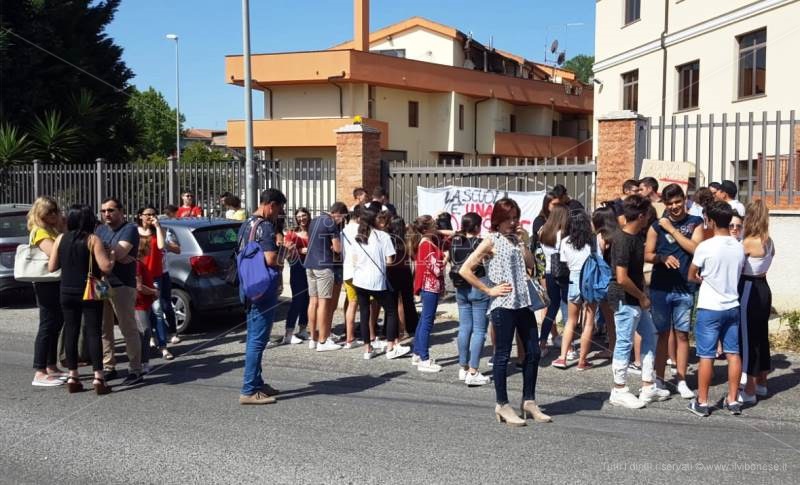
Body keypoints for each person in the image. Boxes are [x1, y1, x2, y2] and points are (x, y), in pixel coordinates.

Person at [459, 198, 550, 426]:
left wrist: (522, 242)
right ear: (497, 220)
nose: (512, 222)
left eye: (515, 218)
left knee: (533, 352)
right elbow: (465, 269)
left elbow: (531, 266)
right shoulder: (490, 241)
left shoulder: (516, 239)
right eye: (508, 218)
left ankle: (529, 401)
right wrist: (488, 290)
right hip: (503, 305)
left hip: (523, 302)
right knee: (502, 355)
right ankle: (502, 404)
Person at [608, 195, 669, 409]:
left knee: (650, 335)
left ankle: (648, 385)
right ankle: (619, 388)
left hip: (636, 298)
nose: (649, 220)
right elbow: (622, 278)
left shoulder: (636, 237)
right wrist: (642, 296)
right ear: (641, 216)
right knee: (624, 342)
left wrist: (643, 294)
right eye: (647, 216)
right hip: (624, 298)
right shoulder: (623, 240)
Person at [645, 184, 704, 400]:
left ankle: (681, 379)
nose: (674, 206)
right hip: (660, 288)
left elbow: (696, 249)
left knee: (682, 334)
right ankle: (659, 379)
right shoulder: (655, 226)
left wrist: (671, 230)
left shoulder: (695, 222)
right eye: (669, 203)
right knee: (662, 334)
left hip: (685, 288)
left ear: (684, 199)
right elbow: (647, 254)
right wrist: (661, 258)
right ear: (664, 204)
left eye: (677, 202)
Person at [687, 200, 746, 417]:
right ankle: (732, 400)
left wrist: (701, 279)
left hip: (710, 306)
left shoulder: (705, 246)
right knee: (733, 353)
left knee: (706, 355)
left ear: (710, 220)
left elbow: (691, 274)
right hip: (732, 305)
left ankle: (702, 401)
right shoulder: (738, 247)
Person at [48, 205, 115, 394]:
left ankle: (73, 376)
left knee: (70, 331)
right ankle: (98, 378)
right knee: (93, 332)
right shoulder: (93, 240)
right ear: (88, 220)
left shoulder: (61, 238)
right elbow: (106, 267)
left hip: (66, 291)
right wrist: (111, 256)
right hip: (89, 291)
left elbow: (52, 267)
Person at [237, 188, 287, 405]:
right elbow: (270, 258)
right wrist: (285, 253)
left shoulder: (247, 224)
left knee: (253, 337)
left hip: (248, 286)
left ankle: (256, 382)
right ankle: (249, 390)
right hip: (263, 288)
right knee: (258, 340)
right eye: (279, 209)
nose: (279, 214)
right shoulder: (265, 227)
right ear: (272, 205)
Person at [350, 208, 409, 360]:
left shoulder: (358, 236)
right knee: (391, 311)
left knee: (364, 313)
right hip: (376, 280)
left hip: (359, 280)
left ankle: (367, 349)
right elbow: (390, 261)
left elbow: (354, 259)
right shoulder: (382, 236)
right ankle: (390, 347)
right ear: (373, 220)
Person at [97, 198, 143, 386]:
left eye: (111, 210)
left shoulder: (130, 229)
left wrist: (106, 251)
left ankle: (135, 369)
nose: (107, 214)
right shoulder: (99, 230)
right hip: (102, 283)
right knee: (103, 328)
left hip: (122, 283)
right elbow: (100, 253)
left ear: (121, 211)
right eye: (103, 211)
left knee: (127, 327)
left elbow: (121, 253)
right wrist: (111, 254)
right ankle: (109, 367)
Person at [737, 199, 774, 405]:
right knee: (760, 335)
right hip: (763, 287)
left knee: (747, 338)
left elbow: (736, 264)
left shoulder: (749, 241)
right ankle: (761, 381)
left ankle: (749, 389)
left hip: (748, 289)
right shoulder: (769, 241)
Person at [27, 196, 67, 387]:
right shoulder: (39, 231)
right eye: (49, 211)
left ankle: (51, 366)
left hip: (55, 281)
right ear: (41, 213)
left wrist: (61, 228)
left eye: (55, 210)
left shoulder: (52, 229)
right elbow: (54, 253)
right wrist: (61, 235)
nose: (54, 214)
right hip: (45, 282)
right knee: (47, 324)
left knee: (56, 322)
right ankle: (40, 370)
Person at [551, 210, 596, 371]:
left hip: (574, 278)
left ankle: (563, 357)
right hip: (590, 279)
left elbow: (563, 261)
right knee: (589, 322)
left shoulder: (565, 242)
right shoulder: (592, 241)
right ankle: (582, 361)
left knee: (571, 320)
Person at [450, 212, 490, 386]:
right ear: (476, 227)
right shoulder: (480, 243)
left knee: (464, 327)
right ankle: (473, 371)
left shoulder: (455, 242)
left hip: (461, 288)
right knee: (480, 330)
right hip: (477, 285)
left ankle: (463, 366)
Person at [304, 202, 348, 351]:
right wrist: (335, 247)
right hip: (324, 267)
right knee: (324, 303)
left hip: (309, 265)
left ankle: (313, 338)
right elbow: (337, 248)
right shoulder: (330, 223)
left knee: (313, 302)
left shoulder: (315, 220)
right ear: (339, 213)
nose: (341, 221)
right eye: (342, 218)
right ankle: (323, 341)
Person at [410, 215, 446, 372]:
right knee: (427, 322)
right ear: (426, 229)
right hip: (430, 286)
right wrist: (446, 259)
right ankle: (424, 358)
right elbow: (436, 268)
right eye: (433, 225)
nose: (436, 226)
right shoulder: (427, 245)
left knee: (423, 320)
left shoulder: (425, 243)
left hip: (428, 286)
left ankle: (417, 352)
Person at [136, 206, 172, 361]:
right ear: (140, 216)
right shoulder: (133, 232)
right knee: (143, 312)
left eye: (153, 214)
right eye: (147, 214)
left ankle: (163, 346)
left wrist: (157, 226)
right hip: (139, 276)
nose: (150, 217)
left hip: (155, 276)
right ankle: (149, 341)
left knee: (157, 311)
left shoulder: (159, 231)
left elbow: (161, 246)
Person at [538, 204, 570, 354]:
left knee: (551, 309)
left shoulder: (543, 232)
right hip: (564, 272)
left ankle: (543, 342)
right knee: (566, 309)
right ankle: (568, 347)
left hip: (550, 272)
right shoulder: (564, 235)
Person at [591, 205, 619, 359]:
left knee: (610, 320)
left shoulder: (600, 237)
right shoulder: (619, 235)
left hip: (605, 282)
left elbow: (598, 259)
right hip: (620, 279)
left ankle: (613, 348)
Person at [282, 208, 310, 344]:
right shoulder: (292, 234)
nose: (301, 218)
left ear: (308, 216)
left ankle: (303, 329)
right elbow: (286, 252)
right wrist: (299, 250)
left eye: (304, 215)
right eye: (299, 216)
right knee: (297, 300)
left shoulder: (312, 231)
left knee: (308, 299)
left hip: (311, 268)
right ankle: (288, 332)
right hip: (297, 268)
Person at [386, 215, 417, 338]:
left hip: (392, 271)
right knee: (407, 300)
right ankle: (410, 326)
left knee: (393, 303)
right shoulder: (407, 238)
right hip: (405, 271)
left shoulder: (389, 239)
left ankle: (395, 329)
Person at [340, 205, 362, 347]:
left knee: (350, 301)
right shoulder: (360, 230)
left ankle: (349, 333)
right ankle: (351, 337)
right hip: (359, 272)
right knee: (357, 304)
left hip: (346, 270)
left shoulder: (343, 231)